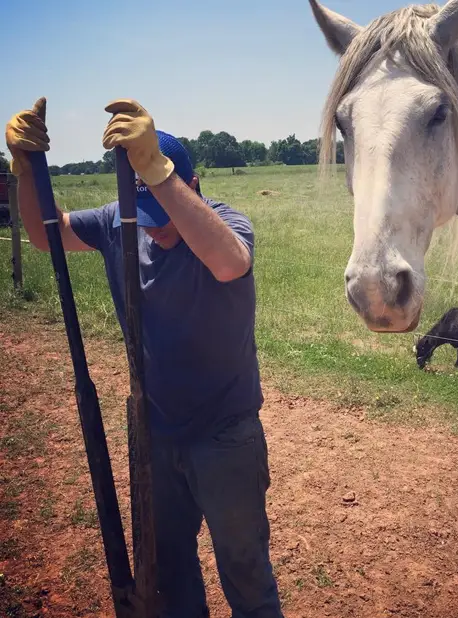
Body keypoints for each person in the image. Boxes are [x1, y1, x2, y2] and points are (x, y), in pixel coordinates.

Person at [5, 97, 285, 618]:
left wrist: (157, 173)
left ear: (191, 185)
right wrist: (24, 171)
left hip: (226, 435)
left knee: (246, 574)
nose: (153, 228)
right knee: (170, 572)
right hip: (153, 432)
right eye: (145, 214)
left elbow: (229, 263)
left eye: (163, 210)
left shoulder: (224, 222)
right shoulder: (121, 220)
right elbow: (46, 235)